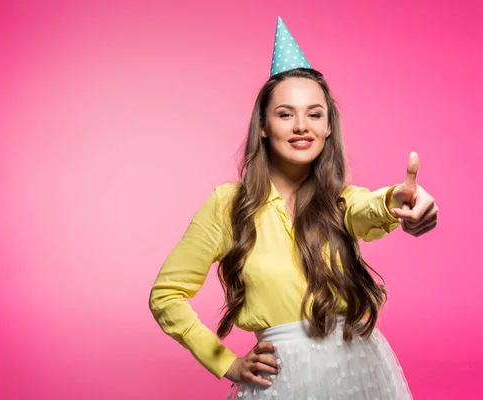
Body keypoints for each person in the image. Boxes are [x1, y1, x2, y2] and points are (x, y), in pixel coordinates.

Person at [148, 16, 437, 399]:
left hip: (358, 371)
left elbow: (370, 208)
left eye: (314, 114)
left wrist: (399, 201)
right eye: (286, 113)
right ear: (264, 126)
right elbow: (166, 295)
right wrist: (226, 362)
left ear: (328, 126)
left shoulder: (340, 201)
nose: (302, 125)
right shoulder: (227, 206)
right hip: (281, 380)